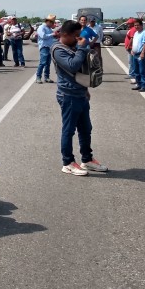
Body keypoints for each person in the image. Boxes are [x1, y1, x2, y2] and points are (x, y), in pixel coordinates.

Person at [52, 20, 107, 176]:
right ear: (64, 34)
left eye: (79, 35)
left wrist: (86, 89)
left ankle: (87, 159)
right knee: (68, 130)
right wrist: (82, 47)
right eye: (75, 36)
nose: (78, 38)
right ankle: (67, 162)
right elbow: (72, 66)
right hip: (68, 95)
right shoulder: (58, 49)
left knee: (85, 128)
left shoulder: (73, 46)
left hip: (80, 93)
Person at [36, 14, 57, 84]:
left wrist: (55, 36)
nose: (52, 24)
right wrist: (52, 34)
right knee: (42, 63)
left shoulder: (49, 29)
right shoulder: (41, 27)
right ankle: (38, 77)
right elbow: (43, 36)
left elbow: (52, 38)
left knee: (48, 63)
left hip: (49, 47)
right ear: (48, 21)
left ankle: (46, 77)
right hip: (44, 46)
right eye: (52, 23)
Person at [130, 19, 145, 91]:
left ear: (141, 25)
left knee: (142, 70)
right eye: (135, 25)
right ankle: (138, 84)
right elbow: (134, 42)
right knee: (136, 70)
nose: (136, 26)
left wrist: (143, 53)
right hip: (135, 54)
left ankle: (144, 86)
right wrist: (132, 49)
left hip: (141, 54)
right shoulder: (136, 33)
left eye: (138, 25)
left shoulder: (144, 33)